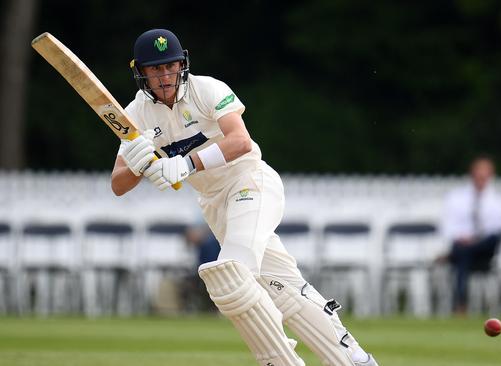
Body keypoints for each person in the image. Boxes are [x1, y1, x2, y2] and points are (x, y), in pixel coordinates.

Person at [111, 29, 378, 366]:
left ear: (182, 64)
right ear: (142, 73)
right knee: (284, 288)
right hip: (215, 205)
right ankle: (354, 359)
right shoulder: (135, 113)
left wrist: (186, 163)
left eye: (170, 66)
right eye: (155, 69)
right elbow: (118, 184)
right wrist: (139, 164)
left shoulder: (207, 89)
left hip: (250, 182)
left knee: (232, 274)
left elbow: (241, 141)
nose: (165, 76)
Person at [442, 155, 501, 314]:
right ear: (472, 174)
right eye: (479, 174)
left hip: (485, 249)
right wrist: (464, 238)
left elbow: (497, 230)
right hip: (463, 247)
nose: (481, 178)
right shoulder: (456, 198)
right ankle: (461, 306)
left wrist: (473, 240)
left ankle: (460, 305)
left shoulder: (499, 201)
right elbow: (448, 227)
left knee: (467, 250)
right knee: (463, 254)